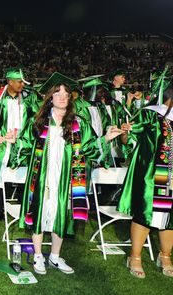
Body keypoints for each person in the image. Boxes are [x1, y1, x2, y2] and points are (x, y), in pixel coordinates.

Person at [12, 73, 122, 275]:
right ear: (50, 98)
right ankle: (38, 256)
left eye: (66, 93)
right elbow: (24, 145)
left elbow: (90, 147)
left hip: (66, 178)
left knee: (61, 214)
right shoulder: (37, 123)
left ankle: (54, 256)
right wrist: (13, 142)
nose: (62, 97)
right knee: (39, 212)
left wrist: (106, 138)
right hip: (42, 176)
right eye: (57, 93)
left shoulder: (78, 123)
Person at [118, 76, 173, 279]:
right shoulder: (152, 115)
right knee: (145, 213)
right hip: (154, 175)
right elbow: (128, 139)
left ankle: (166, 256)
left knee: (172, 217)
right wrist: (125, 132)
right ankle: (135, 257)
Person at [0, 68, 39, 220]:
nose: (22, 85)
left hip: (22, 144)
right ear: (10, 82)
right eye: (19, 82)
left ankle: (23, 205)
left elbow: (36, 115)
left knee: (25, 173)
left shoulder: (27, 98)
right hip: (2, 143)